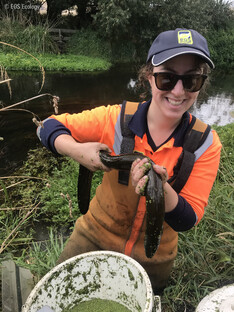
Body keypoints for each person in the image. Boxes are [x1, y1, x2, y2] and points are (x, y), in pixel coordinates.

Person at [37, 28, 222, 294]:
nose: (179, 91)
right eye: (167, 78)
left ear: (201, 82)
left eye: (191, 80)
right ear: (149, 77)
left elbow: (187, 219)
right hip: (92, 238)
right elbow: (45, 127)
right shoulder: (115, 119)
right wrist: (79, 152)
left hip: (154, 258)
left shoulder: (205, 143)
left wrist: (160, 187)